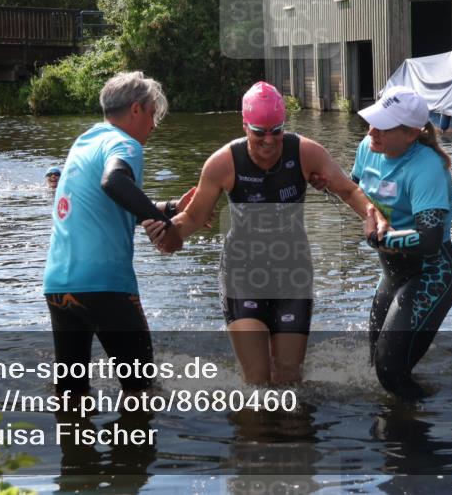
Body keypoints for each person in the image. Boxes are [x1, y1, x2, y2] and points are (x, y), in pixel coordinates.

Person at [144, 81, 387, 386]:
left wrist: (372, 215)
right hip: (242, 273)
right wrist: (169, 234)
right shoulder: (223, 163)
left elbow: (349, 190)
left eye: (277, 130)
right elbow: (192, 217)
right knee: (257, 382)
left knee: (288, 380)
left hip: (292, 273)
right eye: (259, 132)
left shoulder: (305, 152)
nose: (269, 141)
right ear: (244, 125)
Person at [43, 71, 192, 397]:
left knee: (70, 392)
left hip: (58, 286)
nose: (153, 125)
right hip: (105, 287)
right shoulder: (126, 143)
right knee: (142, 391)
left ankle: (73, 446)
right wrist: (163, 227)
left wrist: (167, 208)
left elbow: (101, 204)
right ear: (137, 109)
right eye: (153, 114)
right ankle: (136, 446)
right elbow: (114, 183)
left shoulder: (85, 140)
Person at [352, 86, 452, 399]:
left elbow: (429, 241)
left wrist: (381, 237)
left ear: (412, 133)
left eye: (383, 126)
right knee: (374, 365)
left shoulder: (427, 169)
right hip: (392, 274)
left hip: (431, 274)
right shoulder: (368, 147)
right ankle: (402, 418)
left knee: (389, 372)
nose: (372, 130)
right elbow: (355, 192)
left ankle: (428, 420)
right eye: (373, 122)